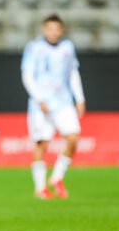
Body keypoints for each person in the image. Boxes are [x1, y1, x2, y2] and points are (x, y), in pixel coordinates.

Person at [20, 14, 86, 199]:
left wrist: (80, 98)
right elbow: (27, 75)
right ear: (44, 29)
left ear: (61, 30)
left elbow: (73, 73)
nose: (53, 32)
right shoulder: (34, 48)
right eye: (50, 29)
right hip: (41, 105)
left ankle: (57, 177)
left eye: (57, 29)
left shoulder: (67, 47)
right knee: (42, 143)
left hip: (63, 101)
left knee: (73, 138)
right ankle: (40, 188)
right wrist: (39, 98)